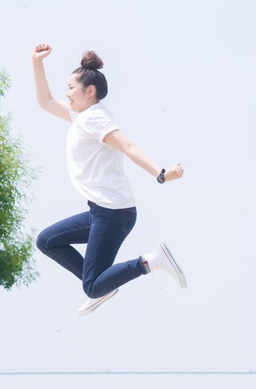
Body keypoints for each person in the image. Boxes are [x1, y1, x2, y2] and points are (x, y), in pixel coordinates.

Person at [31, 44, 186, 315]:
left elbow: (129, 146)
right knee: (47, 241)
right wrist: (36, 62)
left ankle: (150, 262)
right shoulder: (80, 117)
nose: (66, 94)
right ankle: (104, 286)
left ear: (89, 91)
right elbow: (44, 101)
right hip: (100, 211)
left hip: (114, 212)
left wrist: (161, 174)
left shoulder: (95, 119)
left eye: (70, 88)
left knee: (91, 287)